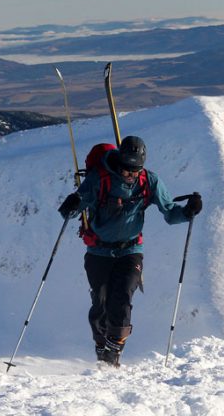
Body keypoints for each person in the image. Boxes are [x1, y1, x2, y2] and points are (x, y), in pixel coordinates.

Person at [58, 136, 202, 367]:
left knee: (123, 295)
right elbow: (74, 210)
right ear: (118, 163)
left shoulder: (149, 181)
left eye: (135, 171)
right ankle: (101, 344)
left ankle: (113, 354)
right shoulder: (99, 179)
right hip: (98, 252)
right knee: (101, 302)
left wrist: (188, 212)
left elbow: (169, 212)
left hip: (131, 250)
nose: (131, 176)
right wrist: (71, 206)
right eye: (126, 171)